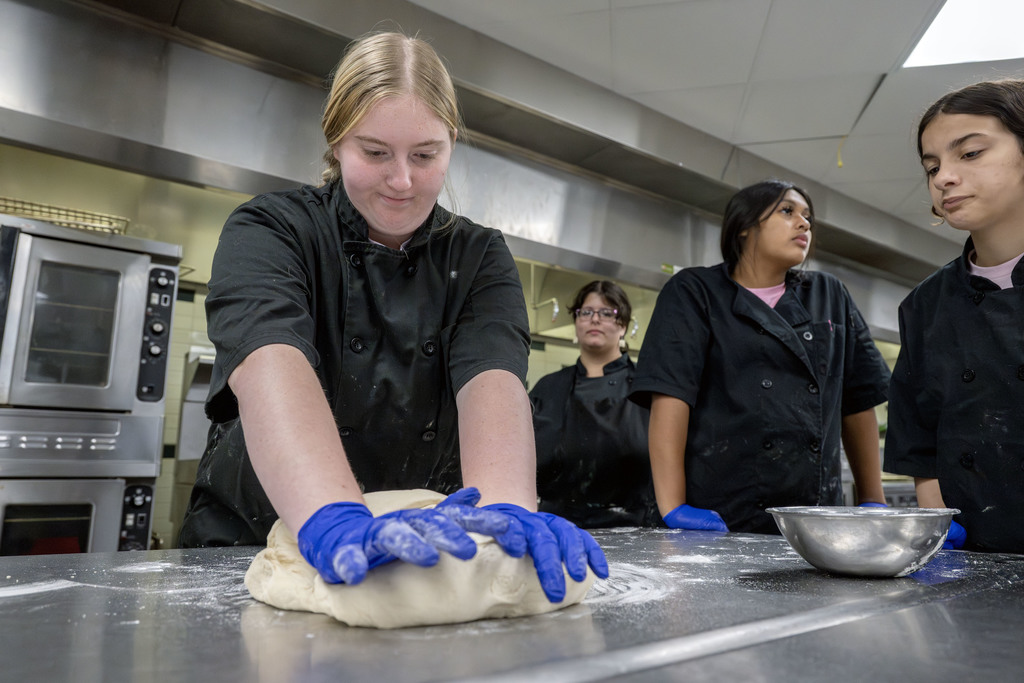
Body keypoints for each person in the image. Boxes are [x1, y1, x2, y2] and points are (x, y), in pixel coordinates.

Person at [178, 31, 607, 602]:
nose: (402, 181)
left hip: (426, 554)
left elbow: (493, 382)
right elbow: (270, 363)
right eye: (375, 152)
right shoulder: (272, 230)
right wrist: (332, 516)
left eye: (425, 155)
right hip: (251, 542)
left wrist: (505, 510)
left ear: (451, 143)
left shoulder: (478, 256)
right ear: (336, 142)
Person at [630, 179, 891, 534]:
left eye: (808, 216)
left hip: (812, 520)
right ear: (744, 226)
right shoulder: (695, 292)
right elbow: (671, 396)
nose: (804, 223)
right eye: (787, 211)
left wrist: (873, 499)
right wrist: (673, 505)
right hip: (719, 513)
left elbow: (858, 400)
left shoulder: (829, 294)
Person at [884, 79, 1024, 554]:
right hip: (973, 556)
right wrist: (939, 525)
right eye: (932, 166)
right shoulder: (925, 305)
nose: (944, 177)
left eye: (969, 153)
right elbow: (919, 439)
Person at [529, 281, 660, 528]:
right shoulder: (548, 388)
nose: (595, 319)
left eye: (607, 313)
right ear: (576, 323)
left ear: (623, 326)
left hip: (635, 528)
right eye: (586, 312)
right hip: (557, 527)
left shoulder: (647, 387)